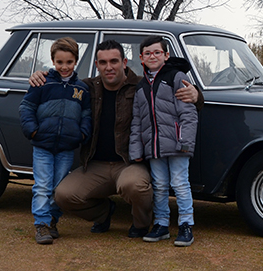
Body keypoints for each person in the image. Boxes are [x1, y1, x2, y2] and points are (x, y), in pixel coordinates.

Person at [30, 39, 203, 238]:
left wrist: (197, 95)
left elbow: (178, 99)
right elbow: (60, 83)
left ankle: (141, 224)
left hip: (129, 164)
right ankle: (103, 213)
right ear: (96, 65)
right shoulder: (85, 88)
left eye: (114, 61)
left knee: (135, 186)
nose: (109, 67)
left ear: (125, 62)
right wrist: (40, 75)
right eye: (103, 63)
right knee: (63, 195)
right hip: (95, 165)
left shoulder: (141, 85)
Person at [19, 37, 91, 245]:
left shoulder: (81, 89)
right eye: (60, 62)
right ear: (53, 61)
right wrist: (32, 131)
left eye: (69, 62)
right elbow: (26, 108)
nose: (64, 67)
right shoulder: (42, 83)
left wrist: (82, 134)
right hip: (42, 145)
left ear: (75, 61)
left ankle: (52, 220)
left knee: (59, 187)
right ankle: (41, 224)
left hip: (66, 148)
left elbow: (86, 114)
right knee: (42, 185)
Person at [130, 36, 198, 246]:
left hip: (177, 145)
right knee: (159, 185)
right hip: (154, 146)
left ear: (166, 55)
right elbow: (137, 121)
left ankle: (186, 224)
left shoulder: (176, 77)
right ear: (141, 58)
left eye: (157, 52)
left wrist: (185, 142)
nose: (153, 56)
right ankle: (161, 224)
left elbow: (188, 114)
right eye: (148, 53)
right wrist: (136, 149)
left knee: (180, 183)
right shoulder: (140, 87)